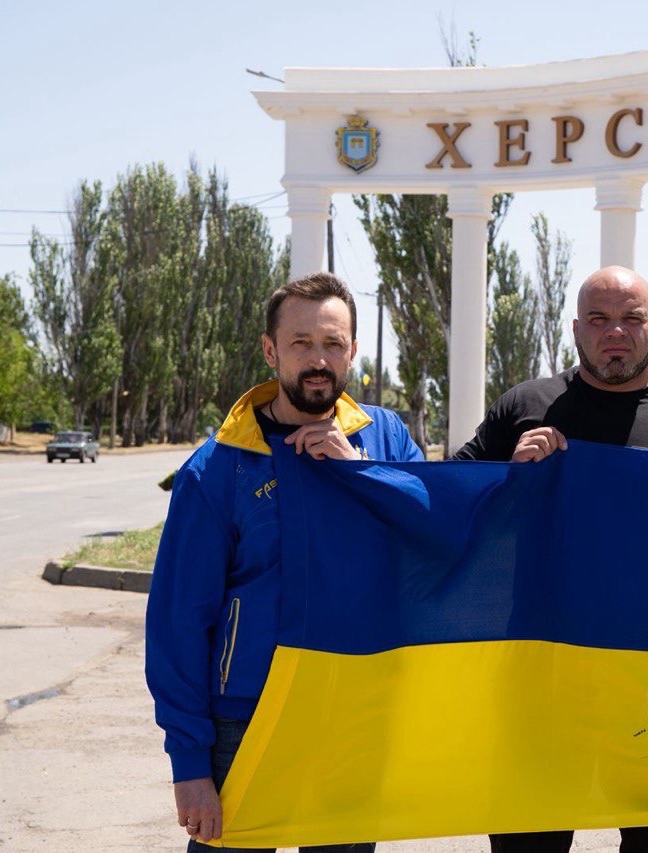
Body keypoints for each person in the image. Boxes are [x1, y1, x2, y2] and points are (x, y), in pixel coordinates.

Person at [455, 264, 648, 853]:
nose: (614, 331)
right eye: (598, 319)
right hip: (544, 673)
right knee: (528, 844)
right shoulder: (525, 406)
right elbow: (448, 505)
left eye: (631, 318)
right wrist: (507, 477)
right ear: (575, 328)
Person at [145, 272, 423, 851]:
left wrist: (361, 473)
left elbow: (433, 532)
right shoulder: (217, 467)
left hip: (352, 710)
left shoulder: (386, 439)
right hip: (245, 721)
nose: (318, 360)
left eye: (332, 344)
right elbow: (178, 621)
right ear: (270, 350)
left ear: (352, 351)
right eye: (301, 343)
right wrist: (190, 764)